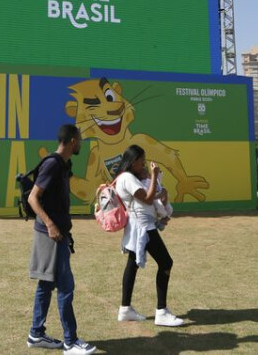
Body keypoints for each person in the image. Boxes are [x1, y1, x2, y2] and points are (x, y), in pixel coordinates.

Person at [26, 124, 96, 355]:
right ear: (73, 141)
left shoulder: (62, 166)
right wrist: (51, 224)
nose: (82, 144)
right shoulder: (53, 164)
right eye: (81, 140)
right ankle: (70, 342)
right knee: (65, 286)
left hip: (56, 234)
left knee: (47, 283)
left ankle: (36, 334)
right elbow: (33, 199)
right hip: (51, 235)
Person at [113, 144, 184, 328]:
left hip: (139, 226)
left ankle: (125, 308)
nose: (143, 165)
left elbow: (149, 198)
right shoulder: (127, 178)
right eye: (141, 161)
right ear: (133, 161)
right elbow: (147, 197)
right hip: (143, 227)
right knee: (166, 262)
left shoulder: (127, 177)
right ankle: (161, 312)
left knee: (132, 264)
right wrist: (153, 176)